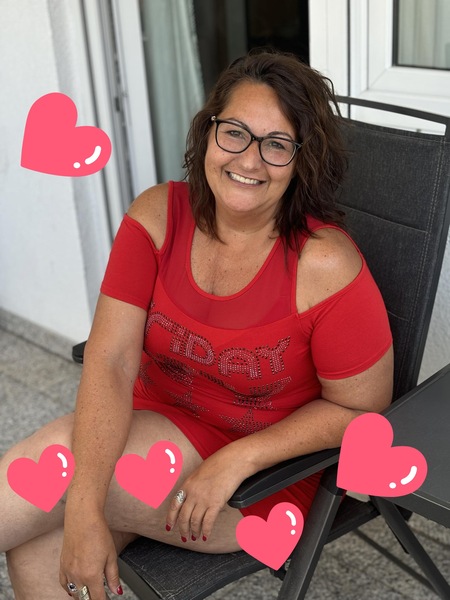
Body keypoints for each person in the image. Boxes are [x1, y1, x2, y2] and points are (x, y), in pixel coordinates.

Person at [0, 49, 393, 600]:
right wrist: (84, 518)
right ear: (208, 132)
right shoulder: (157, 216)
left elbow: (361, 410)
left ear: (301, 162)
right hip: (150, 425)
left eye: (277, 144)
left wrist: (238, 459)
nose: (249, 160)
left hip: (256, 477)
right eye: (235, 132)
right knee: (37, 544)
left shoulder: (324, 265)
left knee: (54, 474)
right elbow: (110, 361)